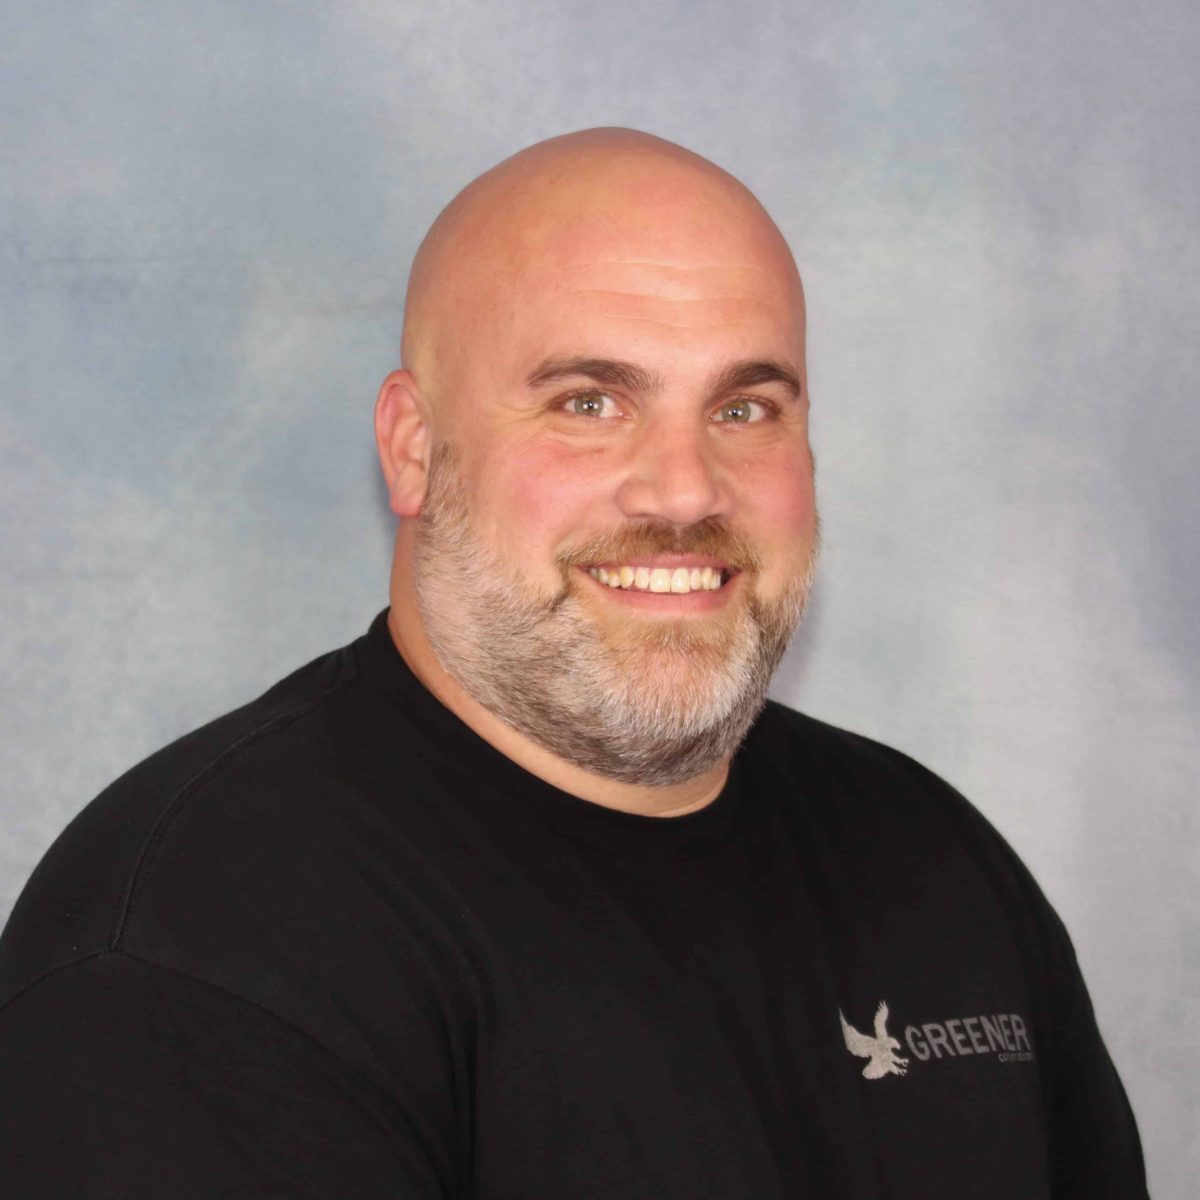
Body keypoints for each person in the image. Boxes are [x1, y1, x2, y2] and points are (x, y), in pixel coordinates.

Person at [0, 129, 1146, 1198]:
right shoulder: (196, 949)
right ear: (413, 447)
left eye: (745, 409)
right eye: (589, 403)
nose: (685, 492)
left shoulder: (935, 860)